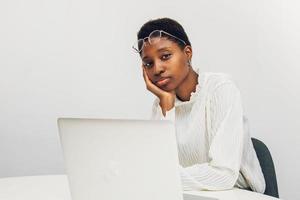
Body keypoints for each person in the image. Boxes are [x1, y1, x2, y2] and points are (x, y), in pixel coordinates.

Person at [132, 17, 265, 193]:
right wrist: (167, 108)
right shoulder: (162, 103)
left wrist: (160, 176)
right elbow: (158, 165)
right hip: (187, 192)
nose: (157, 69)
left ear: (187, 53)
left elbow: (223, 174)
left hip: (237, 192)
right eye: (148, 63)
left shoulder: (220, 89)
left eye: (165, 56)